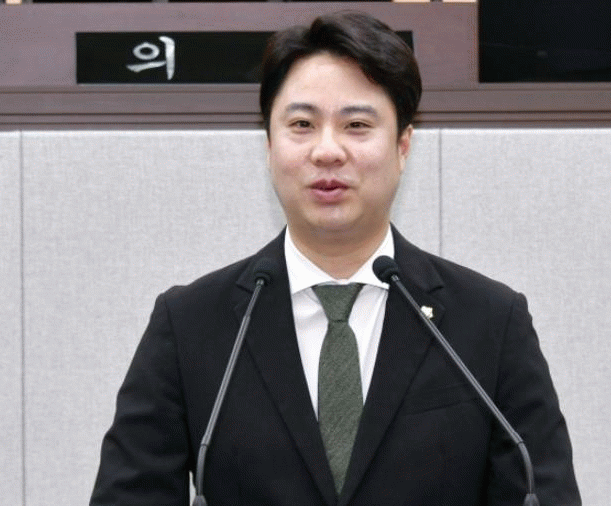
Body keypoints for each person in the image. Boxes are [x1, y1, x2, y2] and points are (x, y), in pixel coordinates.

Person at [90, 12, 580, 506]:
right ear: (269, 144)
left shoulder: (489, 322)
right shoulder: (191, 325)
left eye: (356, 125)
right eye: (302, 124)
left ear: (403, 146)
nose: (327, 151)